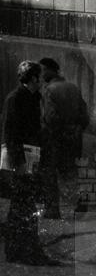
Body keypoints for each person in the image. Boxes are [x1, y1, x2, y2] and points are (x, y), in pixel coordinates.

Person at [1, 61, 57, 265]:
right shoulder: (15, 99)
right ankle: (28, 252)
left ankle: (20, 252)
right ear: (33, 78)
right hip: (21, 161)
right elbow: (11, 134)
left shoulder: (35, 98)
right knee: (23, 206)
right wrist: (19, 163)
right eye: (40, 77)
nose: (42, 80)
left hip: (32, 158)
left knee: (23, 205)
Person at [38, 57, 89, 219]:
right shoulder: (73, 88)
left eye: (43, 70)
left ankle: (53, 211)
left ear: (51, 71)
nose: (41, 74)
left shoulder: (49, 90)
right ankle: (80, 198)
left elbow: (50, 118)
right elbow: (85, 116)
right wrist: (75, 130)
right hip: (74, 139)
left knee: (50, 174)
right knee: (70, 172)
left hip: (55, 140)